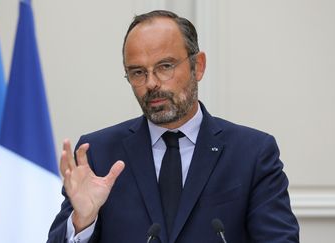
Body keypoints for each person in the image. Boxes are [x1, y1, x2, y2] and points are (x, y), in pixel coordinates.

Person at [47, 10, 299, 243]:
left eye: (165, 66)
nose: (151, 83)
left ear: (197, 66)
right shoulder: (98, 154)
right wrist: (82, 221)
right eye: (137, 72)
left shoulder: (252, 153)